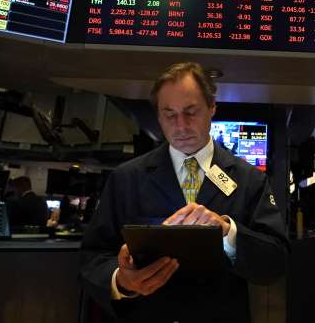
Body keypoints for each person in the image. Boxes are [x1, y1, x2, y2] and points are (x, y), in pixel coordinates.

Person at [79, 62, 288, 323]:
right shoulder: (126, 178)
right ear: (158, 117)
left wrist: (228, 232)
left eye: (191, 112)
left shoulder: (249, 179)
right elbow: (92, 257)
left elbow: (275, 262)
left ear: (212, 108)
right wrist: (121, 281)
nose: (181, 126)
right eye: (169, 115)